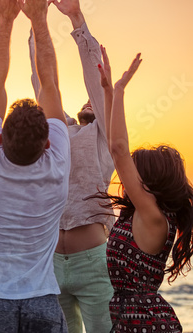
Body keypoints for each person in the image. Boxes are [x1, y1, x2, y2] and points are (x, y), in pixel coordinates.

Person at [0, 0, 70, 331]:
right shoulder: (58, 164)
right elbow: (50, 84)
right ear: (48, 142)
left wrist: (4, 20)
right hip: (43, 304)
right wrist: (39, 18)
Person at [28, 1, 114, 331]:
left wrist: (76, 18)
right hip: (50, 264)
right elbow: (42, 81)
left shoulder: (103, 134)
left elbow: (98, 83)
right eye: (87, 99)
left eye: (96, 99)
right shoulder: (60, 132)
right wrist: (36, 20)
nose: (90, 99)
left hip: (92, 263)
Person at [97, 47, 193, 332]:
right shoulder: (143, 215)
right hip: (133, 320)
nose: (127, 176)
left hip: (147, 324)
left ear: (149, 180)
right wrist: (107, 92)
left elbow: (118, 148)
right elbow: (114, 142)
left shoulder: (153, 215)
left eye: (134, 171)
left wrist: (120, 89)